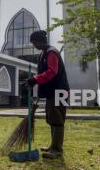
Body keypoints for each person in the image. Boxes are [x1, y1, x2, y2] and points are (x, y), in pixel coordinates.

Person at [25, 30, 70, 159]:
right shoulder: (44, 54)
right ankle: (53, 145)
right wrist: (34, 81)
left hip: (59, 91)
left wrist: (35, 79)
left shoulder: (52, 52)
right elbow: (44, 72)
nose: (34, 45)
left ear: (39, 41)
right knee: (51, 118)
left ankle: (57, 149)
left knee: (57, 119)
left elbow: (52, 72)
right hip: (52, 91)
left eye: (34, 42)